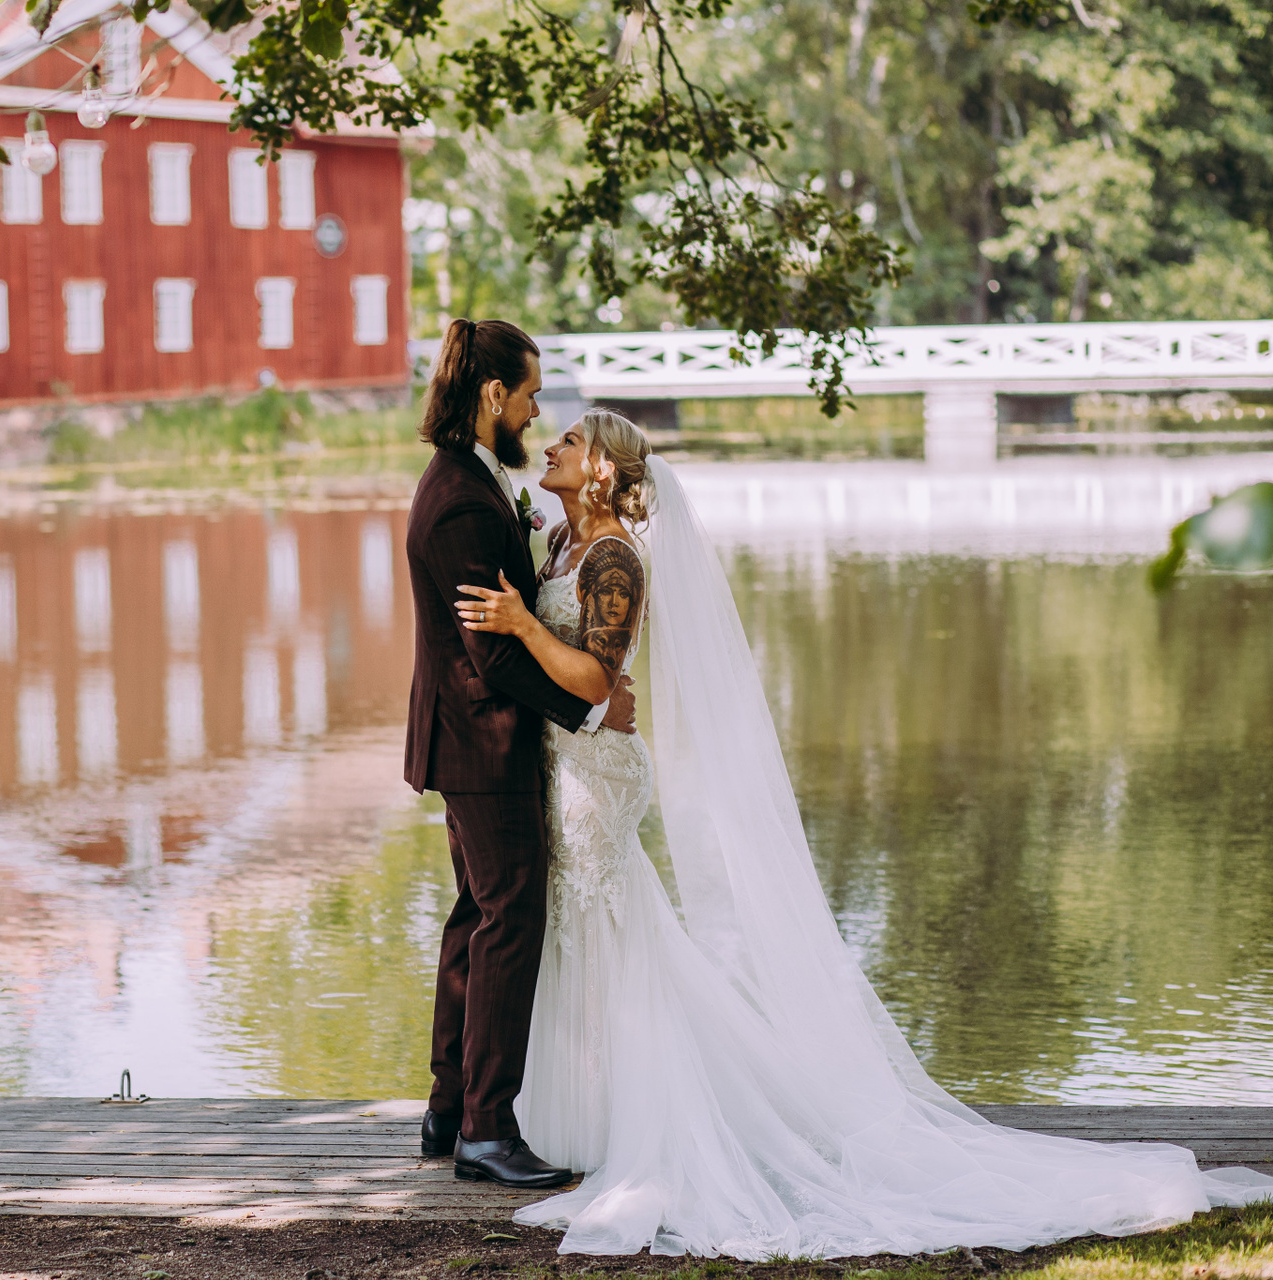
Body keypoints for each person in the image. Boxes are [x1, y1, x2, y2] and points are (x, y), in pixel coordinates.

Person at [455, 406, 1273, 1257]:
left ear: (601, 469)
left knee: (606, 929)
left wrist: (520, 625)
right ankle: (584, 1115)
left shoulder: (616, 557)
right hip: (564, 765)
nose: (551, 444)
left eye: (571, 441)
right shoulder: (563, 542)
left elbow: (597, 679)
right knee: (585, 932)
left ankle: (642, 1121)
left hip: (597, 778)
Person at [402, 319, 636, 1189]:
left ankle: (448, 1111)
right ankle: (488, 1131)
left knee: (477, 915)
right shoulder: (462, 500)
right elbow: (492, 656)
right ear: (493, 393)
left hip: (471, 738)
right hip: (482, 738)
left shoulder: (473, 479)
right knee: (511, 920)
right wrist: (591, 709)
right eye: (531, 396)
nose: (537, 413)